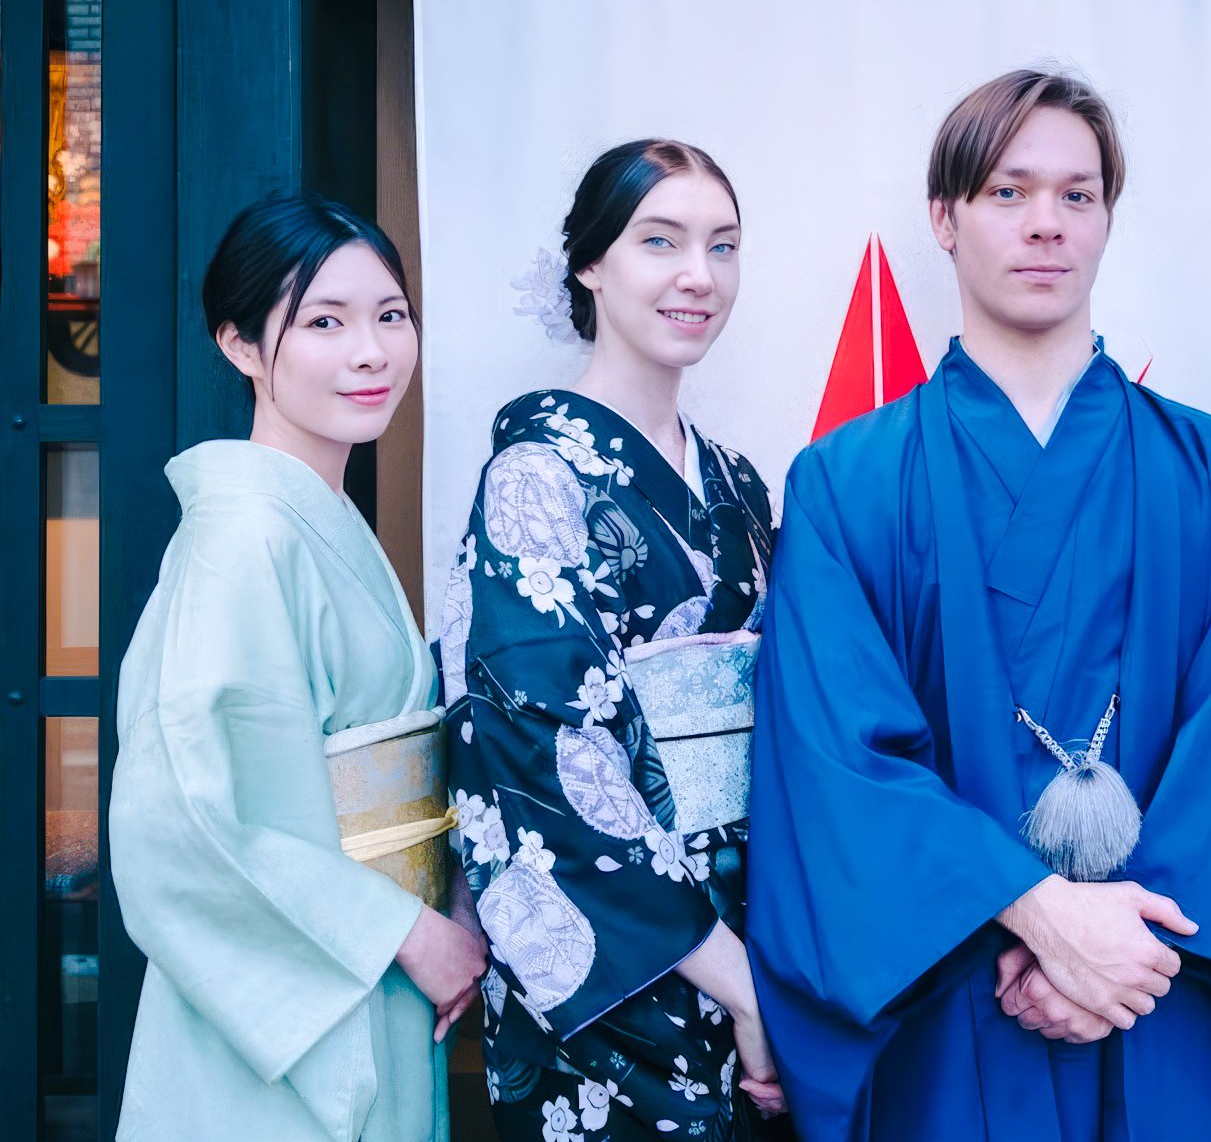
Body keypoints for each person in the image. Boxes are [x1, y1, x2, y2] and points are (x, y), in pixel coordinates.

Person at [748, 71, 1211, 1142]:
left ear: (1109, 218)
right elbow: (838, 765)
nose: (1045, 225)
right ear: (944, 218)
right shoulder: (848, 482)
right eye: (1006, 192)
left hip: (1165, 981)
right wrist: (1038, 913)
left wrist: (1114, 955)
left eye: (1078, 196)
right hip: (951, 991)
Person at [112, 193, 487, 1142]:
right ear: (239, 344)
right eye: (325, 322)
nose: (371, 351)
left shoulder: (311, 520)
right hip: (308, 989)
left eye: (389, 316)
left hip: (371, 964)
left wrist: (445, 910)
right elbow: (191, 817)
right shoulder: (239, 540)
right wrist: (405, 932)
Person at [441, 140, 788, 1140]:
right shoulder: (535, 479)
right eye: (661, 241)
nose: (700, 275)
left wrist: (769, 975)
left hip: (757, 927)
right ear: (589, 263)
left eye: (724, 247)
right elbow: (544, 755)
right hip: (625, 967)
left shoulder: (738, 483)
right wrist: (740, 986)